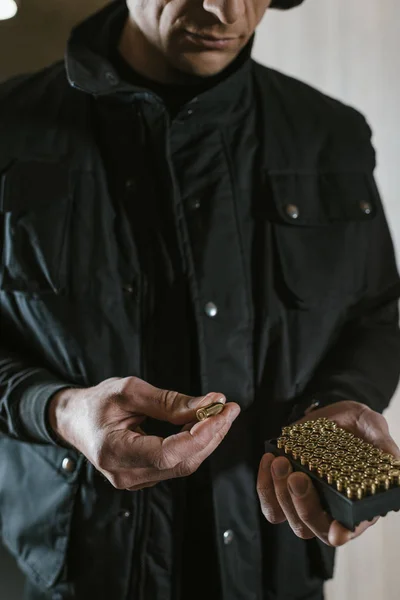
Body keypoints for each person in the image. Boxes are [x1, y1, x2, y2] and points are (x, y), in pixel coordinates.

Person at [0, 0, 399, 598]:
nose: (220, 8)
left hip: (274, 566)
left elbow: (377, 314)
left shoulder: (331, 134)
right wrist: (55, 410)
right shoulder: (9, 125)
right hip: (82, 568)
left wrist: (340, 404)